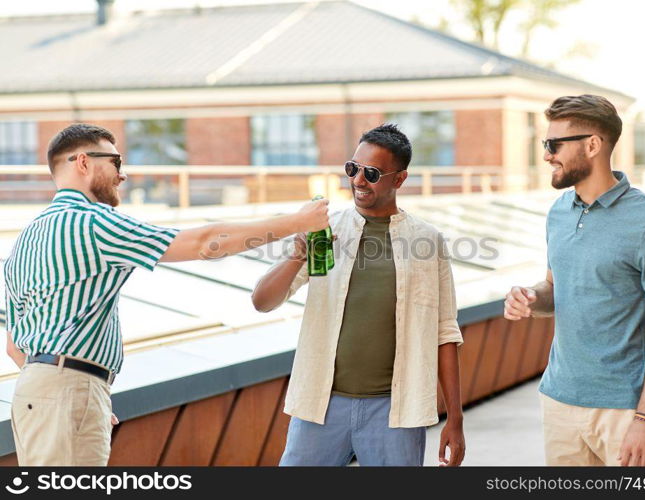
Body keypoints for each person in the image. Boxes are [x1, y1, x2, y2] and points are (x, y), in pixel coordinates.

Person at [3, 123, 329, 466]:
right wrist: (296, 222)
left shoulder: (26, 239)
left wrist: (69, 395)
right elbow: (204, 243)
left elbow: (14, 348)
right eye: (116, 162)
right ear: (82, 162)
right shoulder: (94, 223)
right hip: (66, 391)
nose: (122, 175)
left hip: (31, 395)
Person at [252, 123, 465, 467]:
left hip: (396, 411)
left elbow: (445, 332)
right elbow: (262, 301)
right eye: (352, 168)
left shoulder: (428, 242)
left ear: (399, 179)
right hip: (320, 404)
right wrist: (296, 257)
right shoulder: (325, 232)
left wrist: (455, 418)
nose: (358, 180)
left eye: (372, 173)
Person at [504, 95, 645, 466]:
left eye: (554, 145)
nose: (546, 155)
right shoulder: (558, 212)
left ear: (592, 145)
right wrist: (529, 297)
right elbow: (554, 289)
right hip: (559, 402)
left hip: (625, 412)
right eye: (545, 144)